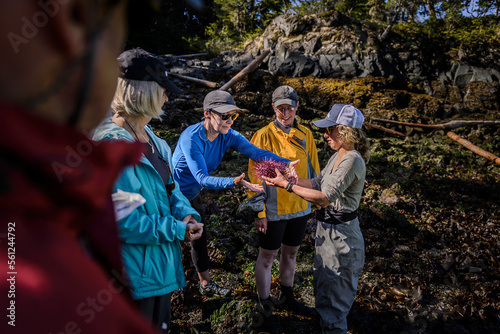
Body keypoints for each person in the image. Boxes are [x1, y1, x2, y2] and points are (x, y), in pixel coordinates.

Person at [0, 1, 162, 334]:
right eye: (131, 17)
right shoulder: (52, 299)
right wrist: (175, 229)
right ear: (72, 16)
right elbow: (132, 223)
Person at [92, 48, 204, 333]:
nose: (167, 97)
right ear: (144, 92)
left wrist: (187, 214)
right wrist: (177, 230)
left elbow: (171, 188)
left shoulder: (154, 140)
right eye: (163, 90)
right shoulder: (112, 147)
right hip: (130, 278)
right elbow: (123, 222)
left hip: (159, 272)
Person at [172, 90, 293, 298]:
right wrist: (235, 182)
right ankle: (173, 289)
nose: (230, 120)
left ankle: (205, 283)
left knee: (199, 238)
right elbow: (202, 178)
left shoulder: (228, 135)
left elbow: (257, 153)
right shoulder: (191, 139)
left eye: (233, 116)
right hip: (172, 196)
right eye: (225, 115)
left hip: (192, 194)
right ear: (207, 114)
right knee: (171, 241)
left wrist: (286, 163)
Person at [261, 104, 370, 334]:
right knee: (324, 287)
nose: (325, 135)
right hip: (328, 233)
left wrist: (287, 186)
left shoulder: (352, 160)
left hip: (342, 238)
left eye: (330, 130)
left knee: (335, 299)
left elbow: (323, 197)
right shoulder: (337, 156)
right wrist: (290, 179)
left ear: (345, 131)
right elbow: (317, 183)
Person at [247, 85, 320, 332]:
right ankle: (264, 310)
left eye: (289, 107)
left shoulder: (306, 134)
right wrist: (259, 211)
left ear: (297, 106)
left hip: (300, 207)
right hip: (273, 210)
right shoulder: (262, 135)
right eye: (280, 108)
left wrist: (318, 200)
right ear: (273, 108)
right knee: (267, 258)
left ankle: (288, 297)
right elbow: (253, 176)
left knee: (291, 254)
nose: (285, 113)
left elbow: (314, 172)